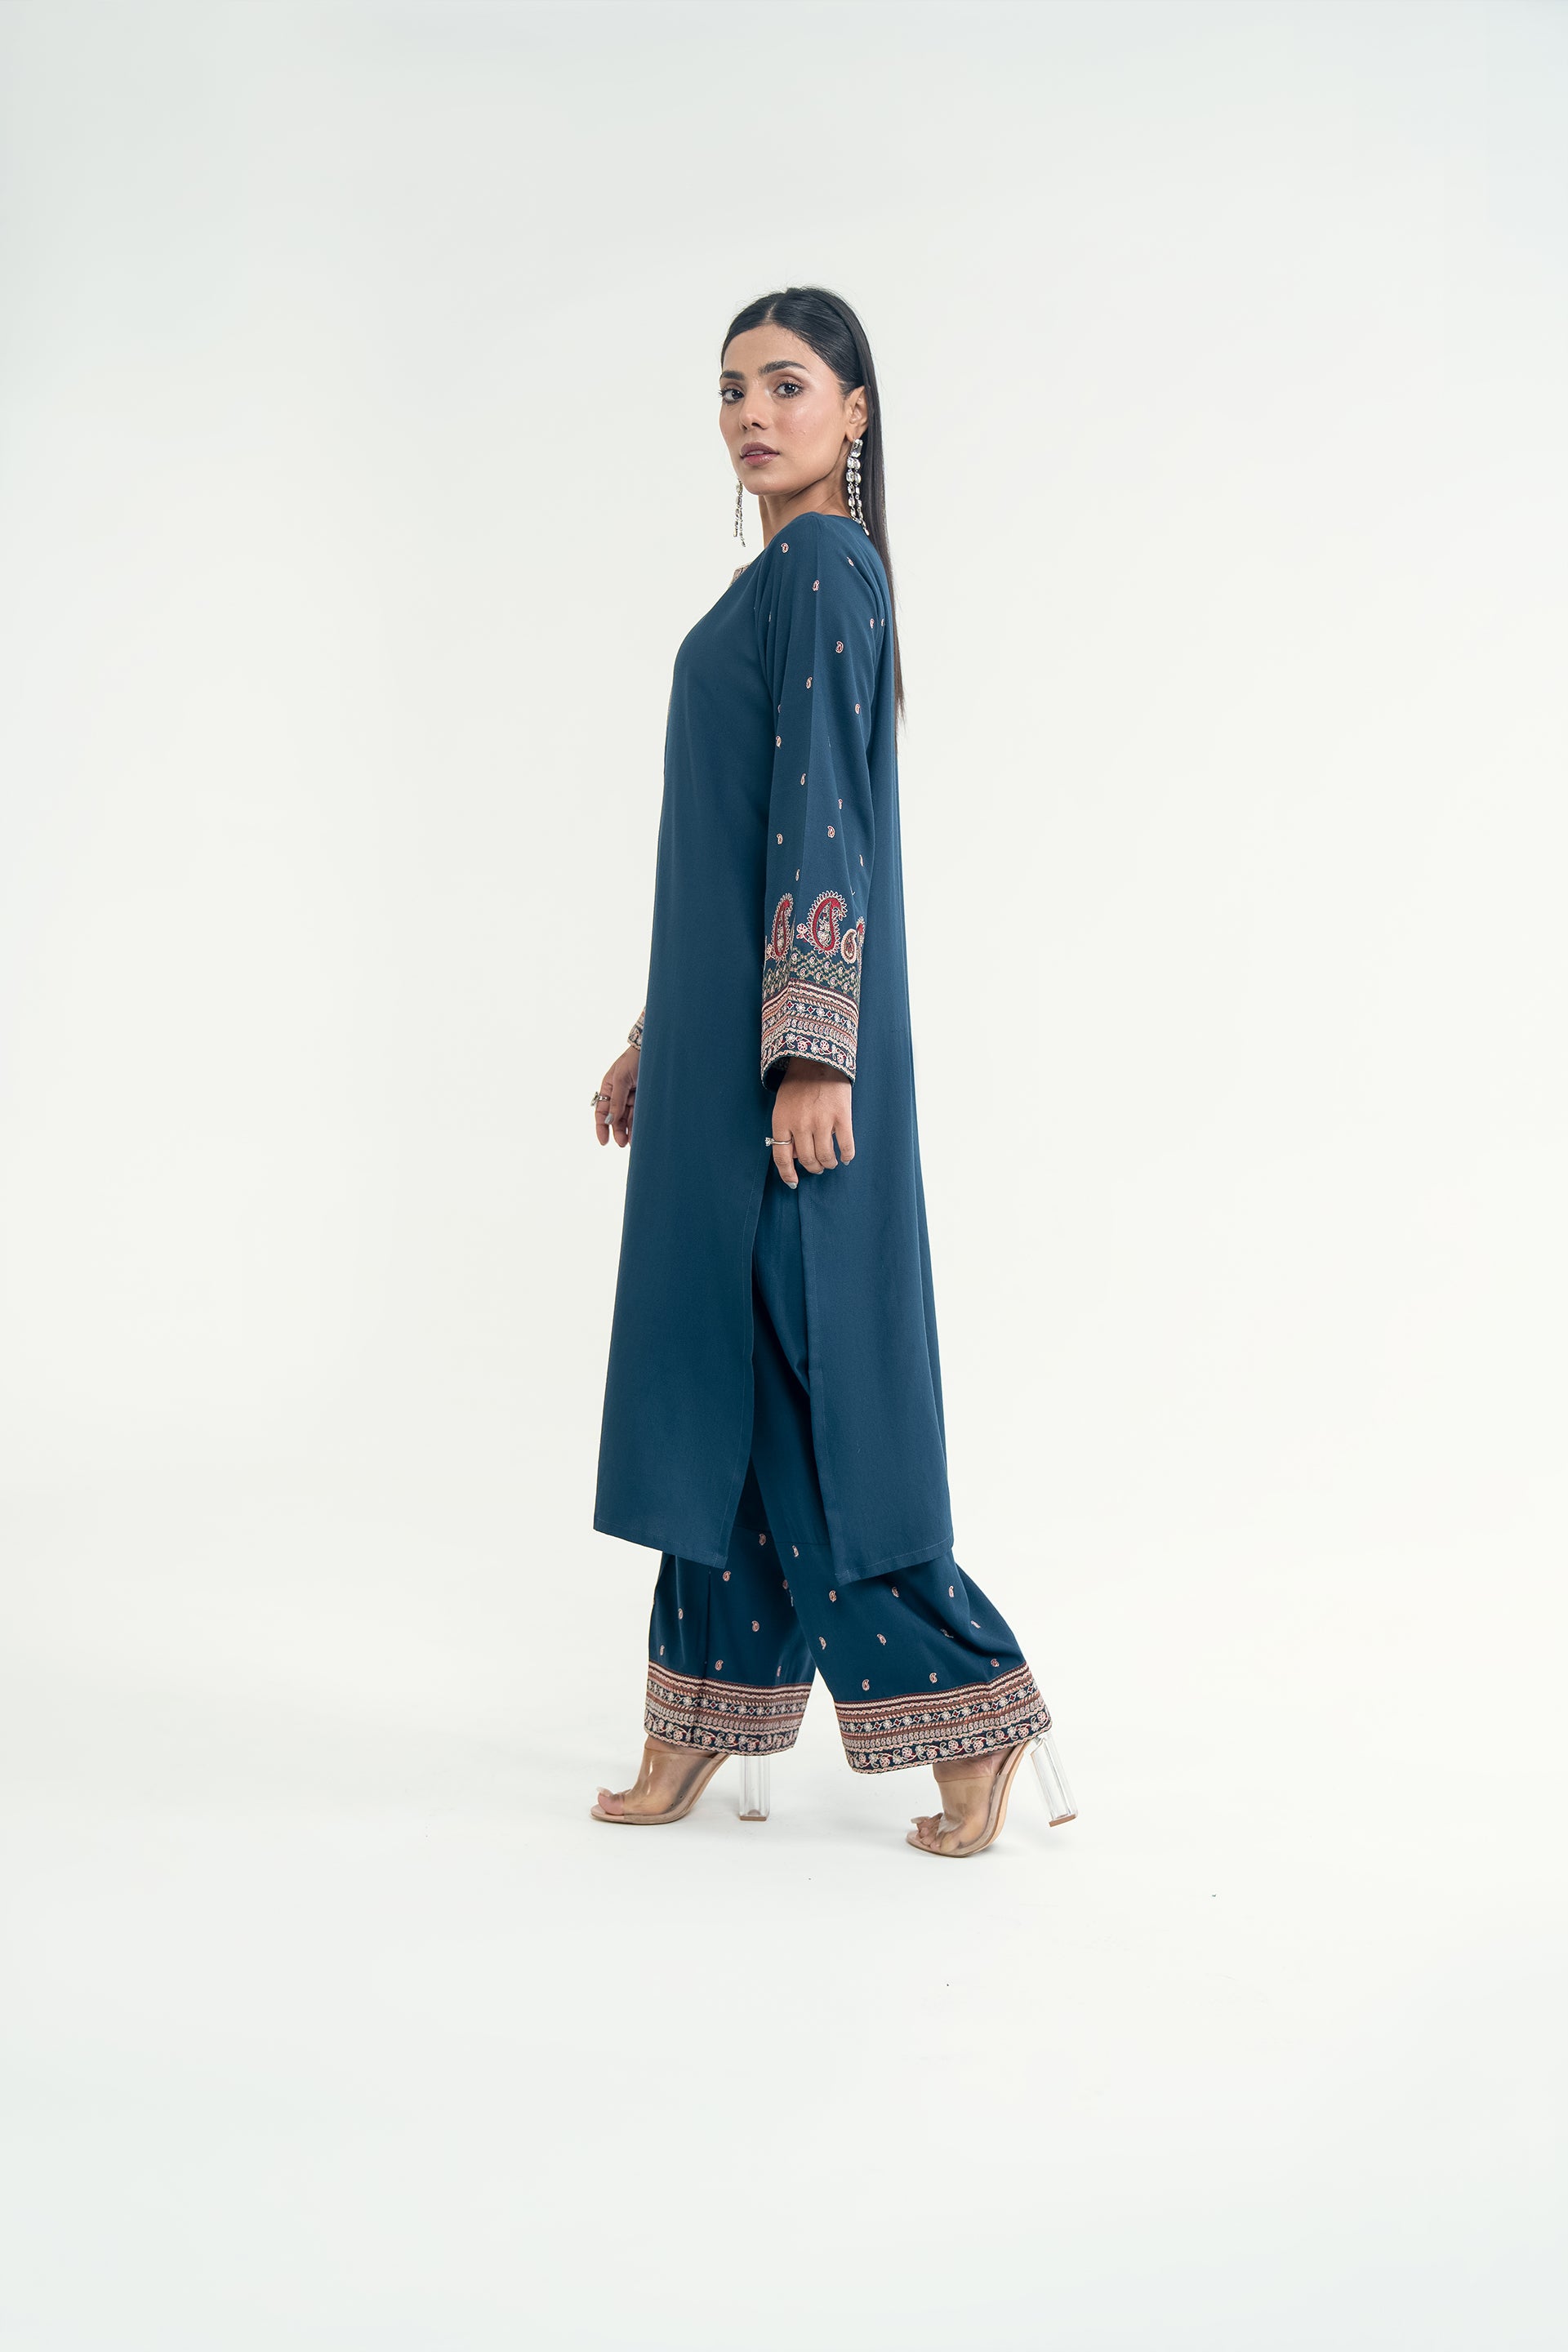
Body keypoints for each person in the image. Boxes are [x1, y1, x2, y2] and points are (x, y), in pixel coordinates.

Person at [588, 286, 1069, 1857]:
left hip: (791, 1071)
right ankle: (697, 1712)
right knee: (723, 1379)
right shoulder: (782, 582)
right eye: (732, 390)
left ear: (855, 412)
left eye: (787, 385)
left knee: (808, 1383)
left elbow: (822, 828)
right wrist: (659, 1037)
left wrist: (812, 1054)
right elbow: (728, 850)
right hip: (725, 1061)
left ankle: (970, 1706)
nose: (752, 414)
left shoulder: (820, 566)